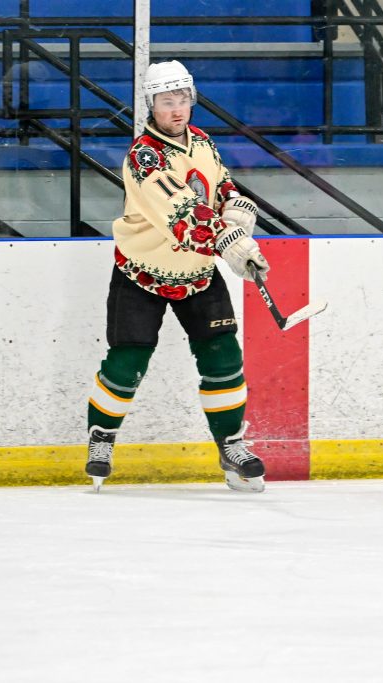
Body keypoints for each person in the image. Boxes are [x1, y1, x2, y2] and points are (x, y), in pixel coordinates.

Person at [85, 60, 271, 493]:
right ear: (151, 105)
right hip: (141, 272)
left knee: (223, 357)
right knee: (128, 362)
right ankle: (102, 437)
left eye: (183, 100)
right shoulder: (144, 157)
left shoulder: (202, 141)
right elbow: (182, 215)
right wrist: (228, 242)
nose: (177, 109)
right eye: (167, 102)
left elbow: (221, 185)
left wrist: (235, 209)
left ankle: (231, 445)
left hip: (198, 273)